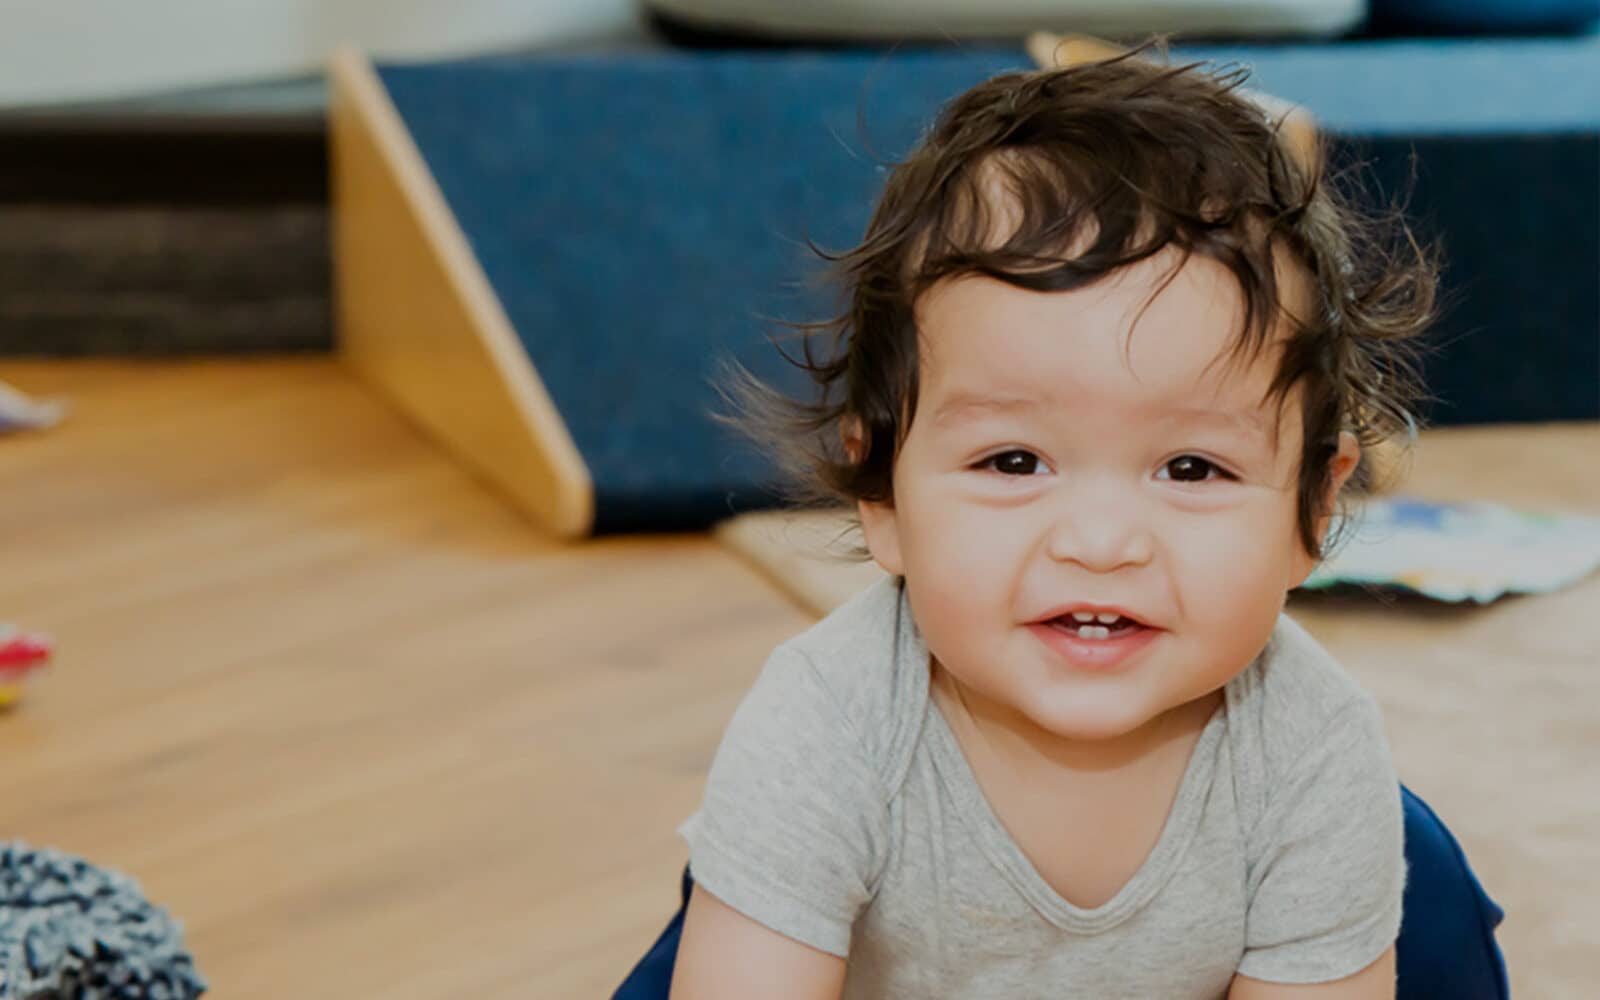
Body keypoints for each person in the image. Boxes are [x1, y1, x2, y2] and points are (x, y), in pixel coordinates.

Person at [648, 44, 1493, 999]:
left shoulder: (1308, 754)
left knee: (1429, 897)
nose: (1099, 543)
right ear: (879, 491)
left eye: (1191, 468)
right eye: (1014, 462)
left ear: (1314, 504)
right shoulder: (830, 725)